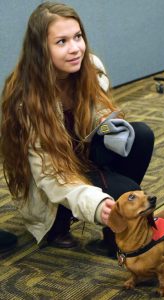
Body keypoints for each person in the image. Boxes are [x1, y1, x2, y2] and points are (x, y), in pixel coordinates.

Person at [0, 1, 154, 256]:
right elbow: (50, 176)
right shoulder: (25, 99)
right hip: (52, 178)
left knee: (141, 135)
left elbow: (98, 113)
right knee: (122, 188)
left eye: (78, 37)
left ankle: (112, 232)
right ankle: (58, 224)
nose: (75, 49)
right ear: (40, 50)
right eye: (61, 42)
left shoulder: (90, 67)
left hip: (82, 156)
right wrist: (96, 203)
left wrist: (110, 126)